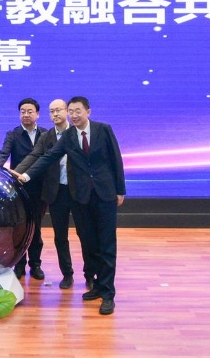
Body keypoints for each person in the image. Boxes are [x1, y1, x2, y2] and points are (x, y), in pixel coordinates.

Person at [14, 96, 126, 316]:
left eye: (77, 111)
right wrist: (26, 176)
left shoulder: (103, 130)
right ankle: (97, 285)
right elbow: (48, 157)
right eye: (72, 112)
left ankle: (108, 294)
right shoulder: (68, 136)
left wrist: (120, 190)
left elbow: (116, 160)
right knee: (91, 242)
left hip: (105, 195)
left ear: (88, 111)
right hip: (82, 197)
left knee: (106, 243)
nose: (74, 115)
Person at [26, 98, 93, 290]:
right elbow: (35, 156)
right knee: (60, 236)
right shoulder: (46, 137)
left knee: (84, 234)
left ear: (67, 112)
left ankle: (90, 275)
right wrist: (21, 173)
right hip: (56, 193)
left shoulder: (77, 133)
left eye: (59, 110)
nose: (55, 114)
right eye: (52, 111)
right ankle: (67, 274)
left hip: (79, 191)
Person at [0, 97, 48, 280]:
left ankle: (36, 265)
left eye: (29, 111)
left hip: (40, 188)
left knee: (36, 228)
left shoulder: (45, 134)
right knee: (19, 228)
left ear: (37, 114)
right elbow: (3, 154)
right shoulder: (13, 134)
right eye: (22, 112)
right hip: (19, 188)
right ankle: (19, 264)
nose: (26, 114)